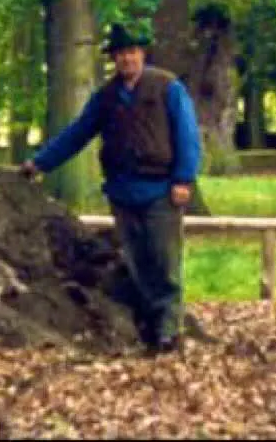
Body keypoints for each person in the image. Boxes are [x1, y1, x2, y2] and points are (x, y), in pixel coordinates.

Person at [18, 22, 201, 354]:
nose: (127, 59)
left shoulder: (167, 87)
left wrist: (183, 179)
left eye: (131, 52)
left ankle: (169, 330)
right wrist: (40, 163)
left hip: (161, 189)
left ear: (141, 53)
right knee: (136, 261)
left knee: (165, 262)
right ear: (114, 60)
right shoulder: (105, 97)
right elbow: (77, 134)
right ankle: (149, 325)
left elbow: (187, 135)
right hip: (122, 191)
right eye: (120, 54)